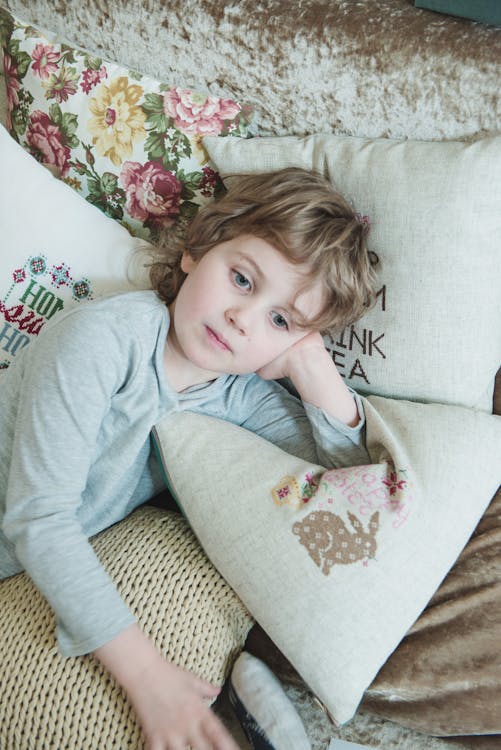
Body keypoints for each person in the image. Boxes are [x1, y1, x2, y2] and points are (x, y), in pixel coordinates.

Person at [0, 167, 377, 750]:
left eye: (280, 320)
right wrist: (149, 680)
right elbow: (38, 517)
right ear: (198, 250)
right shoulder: (104, 341)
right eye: (243, 280)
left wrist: (310, 365)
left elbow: (350, 480)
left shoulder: (238, 396)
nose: (242, 319)